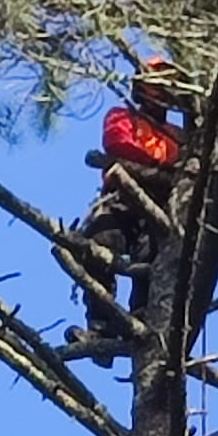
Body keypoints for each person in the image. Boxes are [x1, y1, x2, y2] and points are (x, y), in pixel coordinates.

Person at [65, 59, 189, 364]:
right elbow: (119, 146)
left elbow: (188, 169)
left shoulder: (178, 134)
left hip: (160, 209)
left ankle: (141, 325)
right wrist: (162, 167)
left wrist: (167, 170)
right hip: (121, 196)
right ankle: (101, 328)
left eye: (168, 84)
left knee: (153, 263)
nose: (161, 90)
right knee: (100, 245)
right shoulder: (122, 116)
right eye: (156, 82)